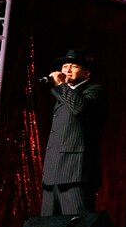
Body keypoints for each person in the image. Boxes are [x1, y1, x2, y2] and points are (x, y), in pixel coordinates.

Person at [41, 49, 106, 216]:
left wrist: (61, 85)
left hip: (75, 172)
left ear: (87, 74)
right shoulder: (64, 94)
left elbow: (79, 107)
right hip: (53, 171)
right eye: (65, 66)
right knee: (48, 225)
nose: (67, 69)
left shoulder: (94, 90)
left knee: (77, 222)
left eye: (74, 66)